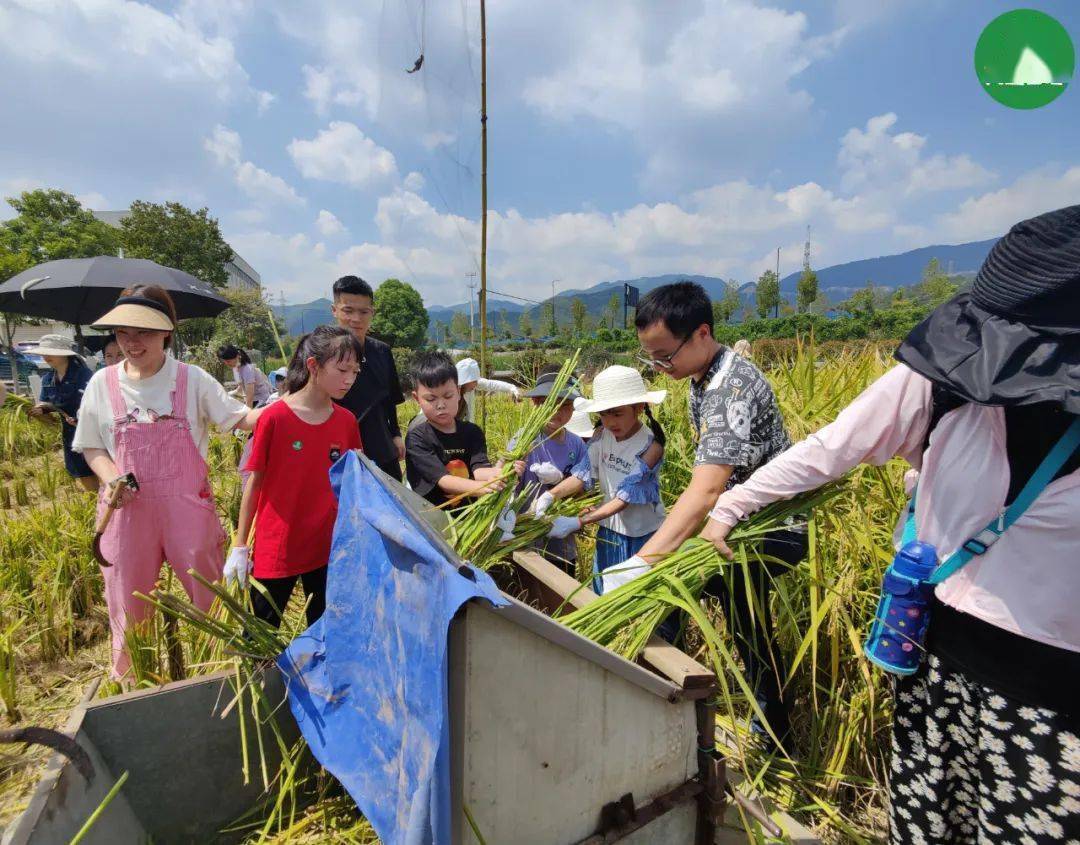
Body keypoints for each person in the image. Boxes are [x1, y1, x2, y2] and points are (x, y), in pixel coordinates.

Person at [703, 205, 1080, 844]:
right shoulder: (945, 386)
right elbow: (830, 447)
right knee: (929, 824)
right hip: (937, 663)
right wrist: (733, 506)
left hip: (1057, 703)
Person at [629, 281, 807, 745]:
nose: (659, 367)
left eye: (665, 355)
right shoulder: (701, 377)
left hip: (770, 526)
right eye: (652, 358)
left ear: (702, 333)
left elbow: (708, 489)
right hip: (732, 523)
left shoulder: (730, 388)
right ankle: (763, 726)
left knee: (672, 589)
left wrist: (641, 563)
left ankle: (676, 705)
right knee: (741, 617)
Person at [73, 285, 265, 679]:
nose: (131, 342)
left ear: (166, 333)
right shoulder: (102, 384)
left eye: (142, 332)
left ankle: (223, 678)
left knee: (212, 599)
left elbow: (240, 418)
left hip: (186, 509)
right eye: (123, 332)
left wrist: (293, 404)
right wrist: (111, 480)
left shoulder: (191, 379)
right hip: (126, 513)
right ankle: (132, 685)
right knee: (127, 607)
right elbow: (91, 446)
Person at [225, 327, 363, 628]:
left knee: (326, 631)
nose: (349, 379)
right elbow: (255, 482)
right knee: (261, 632)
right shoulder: (275, 417)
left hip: (327, 543)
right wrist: (240, 545)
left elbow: (353, 484)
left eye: (355, 370)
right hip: (279, 544)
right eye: (341, 369)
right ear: (313, 366)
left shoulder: (346, 421)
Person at [535, 366, 667, 593]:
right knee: (603, 594)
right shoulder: (601, 435)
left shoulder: (651, 446)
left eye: (616, 413)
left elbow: (624, 498)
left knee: (638, 599)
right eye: (603, 414)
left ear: (638, 407)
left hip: (641, 536)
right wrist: (550, 495)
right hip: (608, 532)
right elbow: (582, 474)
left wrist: (577, 523)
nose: (609, 422)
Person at [405, 351, 515, 509]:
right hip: (432, 519)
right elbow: (444, 481)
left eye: (448, 396)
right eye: (431, 399)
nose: (441, 405)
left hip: (468, 515)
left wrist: (503, 472)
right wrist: (482, 488)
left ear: (458, 392)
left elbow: (479, 470)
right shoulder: (417, 437)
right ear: (417, 399)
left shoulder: (472, 432)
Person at [331, 275, 407, 481]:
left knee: (390, 503)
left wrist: (396, 434)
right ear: (334, 310)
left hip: (380, 444)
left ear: (372, 313)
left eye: (363, 312)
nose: (356, 319)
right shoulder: (320, 353)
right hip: (336, 446)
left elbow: (389, 399)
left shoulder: (382, 351)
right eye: (348, 310)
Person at [512, 370, 588, 573]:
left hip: (561, 543)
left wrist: (560, 482)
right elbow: (505, 487)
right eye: (552, 403)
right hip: (525, 542)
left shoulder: (577, 445)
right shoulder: (524, 441)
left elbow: (585, 490)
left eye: (565, 405)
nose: (558, 411)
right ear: (536, 403)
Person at [24, 334, 97, 491]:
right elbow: (47, 406)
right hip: (69, 433)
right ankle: (94, 508)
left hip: (92, 431)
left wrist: (81, 418)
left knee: (97, 469)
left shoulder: (84, 375)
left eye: (51, 352)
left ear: (65, 354)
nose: (46, 356)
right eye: (44, 352)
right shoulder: (48, 379)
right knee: (81, 474)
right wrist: (40, 411)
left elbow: (96, 404)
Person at [455, 357, 520, 422]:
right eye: (474, 380)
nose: (476, 384)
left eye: (476, 380)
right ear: (465, 380)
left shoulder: (470, 385)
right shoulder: (450, 392)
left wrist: (512, 388)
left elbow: (491, 384)